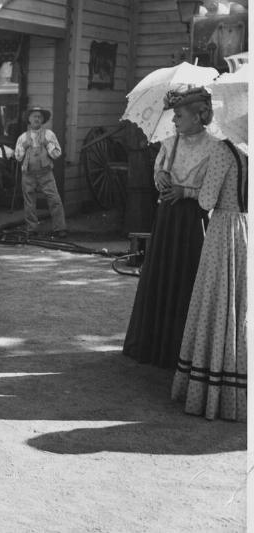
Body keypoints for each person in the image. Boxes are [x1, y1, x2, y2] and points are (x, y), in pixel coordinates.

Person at [123, 87, 218, 369]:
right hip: (167, 217)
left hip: (192, 220)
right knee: (161, 272)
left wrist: (185, 192)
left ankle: (179, 348)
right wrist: (161, 177)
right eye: (174, 116)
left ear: (199, 117)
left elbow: (213, 190)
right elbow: (159, 174)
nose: (174, 121)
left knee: (185, 274)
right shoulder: (168, 143)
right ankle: (152, 343)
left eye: (179, 115)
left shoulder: (215, 147)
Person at [171, 138, 247, 421]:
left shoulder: (225, 150)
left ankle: (213, 385)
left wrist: (193, 187)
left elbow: (206, 200)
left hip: (224, 231)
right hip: (247, 227)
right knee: (241, 302)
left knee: (217, 298)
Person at [14, 106, 66, 238]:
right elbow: (18, 157)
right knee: (29, 202)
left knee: (54, 199)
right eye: (34, 116)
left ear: (42, 120)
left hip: (45, 173)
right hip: (28, 174)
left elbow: (57, 154)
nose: (37, 119)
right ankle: (31, 229)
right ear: (29, 119)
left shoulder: (49, 134)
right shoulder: (22, 137)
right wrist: (24, 148)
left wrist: (47, 144)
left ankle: (59, 228)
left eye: (39, 117)